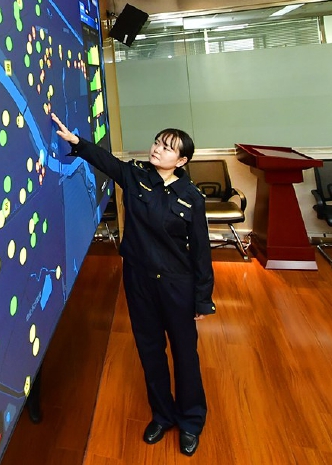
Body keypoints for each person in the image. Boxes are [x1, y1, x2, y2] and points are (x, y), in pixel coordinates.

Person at [51, 113, 214, 457]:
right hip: (139, 280)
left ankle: (191, 420)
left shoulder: (191, 197)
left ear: (181, 161)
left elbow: (201, 252)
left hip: (177, 285)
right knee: (150, 350)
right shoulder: (136, 176)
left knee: (185, 355)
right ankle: (163, 415)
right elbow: (106, 161)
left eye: (167, 148)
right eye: (157, 142)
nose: (157, 149)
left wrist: (202, 299)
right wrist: (77, 142)